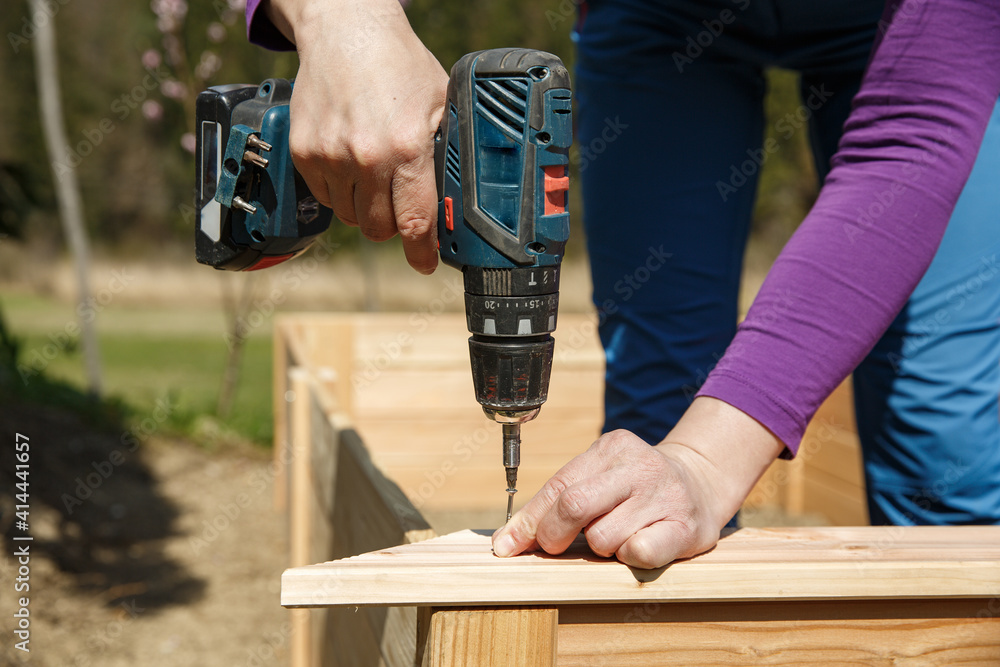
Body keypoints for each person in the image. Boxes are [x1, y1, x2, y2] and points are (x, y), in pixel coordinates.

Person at [245, 0, 1000, 569]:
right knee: (651, 447)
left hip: (913, 40)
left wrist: (707, 464)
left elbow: (913, 136)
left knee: (945, 441)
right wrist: (338, 19)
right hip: (663, 18)